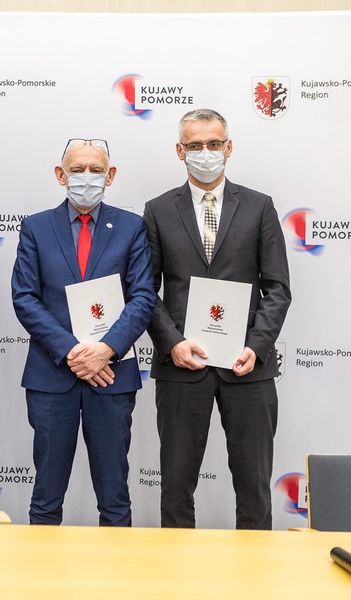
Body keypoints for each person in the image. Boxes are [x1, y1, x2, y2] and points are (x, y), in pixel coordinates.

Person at [144, 109, 291, 529]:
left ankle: (254, 569)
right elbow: (145, 291)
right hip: (181, 366)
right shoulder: (158, 210)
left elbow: (278, 288)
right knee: (176, 488)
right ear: (180, 151)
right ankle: (177, 568)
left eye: (213, 144)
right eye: (194, 145)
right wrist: (172, 342)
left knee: (254, 488)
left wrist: (255, 347)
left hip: (248, 366)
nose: (204, 152)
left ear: (228, 147)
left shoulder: (260, 207)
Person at [12, 138, 155, 526]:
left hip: (111, 375)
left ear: (110, 175)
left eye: (96, 169)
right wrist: (74, 351)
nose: (86, 177)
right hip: (51, 374)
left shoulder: (131, 227)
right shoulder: (36, 227)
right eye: (77, 169)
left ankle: (115, 568)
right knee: (45, 497)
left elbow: (143, 297)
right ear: (61, 175)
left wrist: (105, 349)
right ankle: (41, 568)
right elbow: (24, 297)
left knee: (115, 498)